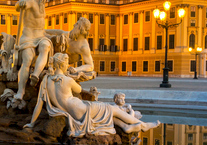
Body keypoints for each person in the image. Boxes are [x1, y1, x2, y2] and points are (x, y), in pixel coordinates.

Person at [26, 53, 159, 137]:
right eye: (67, 63)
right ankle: (142, 124)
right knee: (113, 109)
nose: (68, 65)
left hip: (74, 112)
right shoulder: (67, 80)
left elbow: (39, 104)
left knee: (107, 113)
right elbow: (78, 90)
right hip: (82, 110)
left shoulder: (46, 80)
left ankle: (126, 127)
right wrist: (73, 74)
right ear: (62, 64)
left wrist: (32, 123)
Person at [11, 0, 55, 105]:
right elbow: (18, 6)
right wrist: (20, 3)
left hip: (40, 36)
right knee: (27, 59)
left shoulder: (42, 4)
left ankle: (35, 74)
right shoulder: (30, 1)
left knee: (46, 46)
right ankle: (21, 91)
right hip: (28, 37)